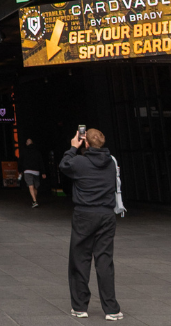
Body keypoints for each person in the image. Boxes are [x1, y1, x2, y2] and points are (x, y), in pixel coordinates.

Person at [59, 128, 123, 321]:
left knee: (80, 259)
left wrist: (73, 147)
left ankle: (80, 306)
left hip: (85, 214)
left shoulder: (80, 161)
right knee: (105, 261)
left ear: (85, 142)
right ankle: (111, 309)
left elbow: (64, 165)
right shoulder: (111, 162)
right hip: (106, 215)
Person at [20, 138, 47, 208]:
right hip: (36, 171)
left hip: (27, 171)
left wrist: (20, 171)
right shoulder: (37, 152)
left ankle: (34, 201)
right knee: (35, 187)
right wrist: (43, 172)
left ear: (26, 144)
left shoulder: (24, 152)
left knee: (30, 185)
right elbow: (41, 162)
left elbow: (21, 162)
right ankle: (34, 200)